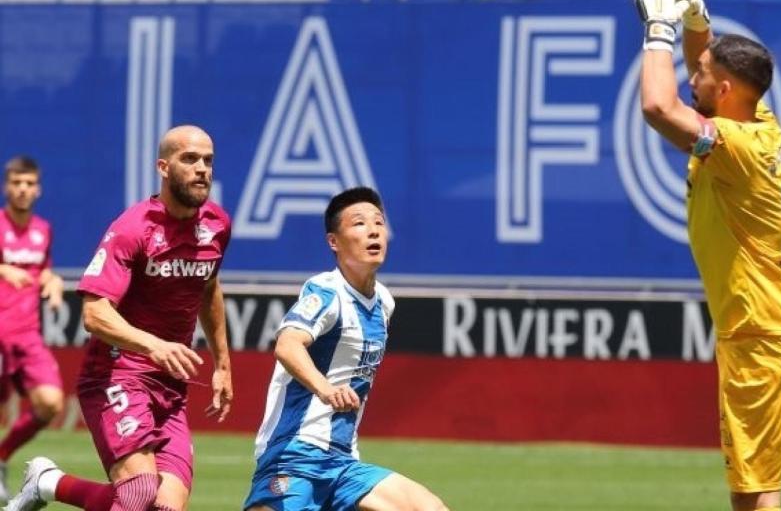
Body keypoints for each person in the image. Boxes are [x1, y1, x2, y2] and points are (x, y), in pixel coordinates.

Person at [619, 0, 781, 511]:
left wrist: (658, 28)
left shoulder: (733, 146)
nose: (692, 76)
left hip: (756, 337)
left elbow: (657, 107)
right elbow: (702, 75)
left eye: (701, 73)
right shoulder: (758, 123)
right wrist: (696, 19)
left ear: (725, 89)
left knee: (754, 495)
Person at [4, 125, 234, 511]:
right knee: (139, 491)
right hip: (116, 374)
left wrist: (223, 364)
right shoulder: (133, 228)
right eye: (190, 159)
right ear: (163, 166)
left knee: (165, 508)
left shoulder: (217, 225)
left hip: (170, 386)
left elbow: (208, 288)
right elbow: (94, 314)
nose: (202, 169)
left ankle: (50, 483)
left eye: (208, 161)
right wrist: (154, 345)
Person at [243, 187, 447, 511]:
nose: (373, 230)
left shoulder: (384, 303)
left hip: (343, 464)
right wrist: (325, 389)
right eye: (359, 223)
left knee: (429, 508)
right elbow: (287, 344)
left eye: (378, 222)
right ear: (333, 242)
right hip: (295, 455)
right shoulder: (326, 292)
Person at [0, 157, 65, 503]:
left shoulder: (43, 229)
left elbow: (42, 271)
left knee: (51, 403)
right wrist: (2, 269)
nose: (23, 189)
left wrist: (52, 281)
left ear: (37, 188)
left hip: (27, 335)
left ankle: (1, 456)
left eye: (29, 183)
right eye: (16, 182)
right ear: (6, 186)